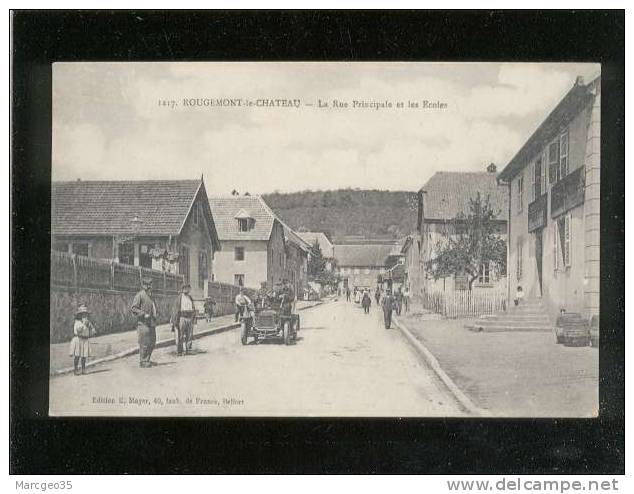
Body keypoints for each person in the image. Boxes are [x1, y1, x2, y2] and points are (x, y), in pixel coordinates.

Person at [131, 277, 158, 368]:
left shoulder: (151, 295)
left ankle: (147, 359)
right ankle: (143, 361)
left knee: (152, 342)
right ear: (143, 285)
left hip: (151, 323)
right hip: (143, 323)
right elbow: (134, 308)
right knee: (144, 343)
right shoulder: (140, 295)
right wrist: (143, 314)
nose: (149, 286)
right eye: (147, 284)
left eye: (150, 284)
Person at [171, 282, 197, 356]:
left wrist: (194, 318)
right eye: (185, 288)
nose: (187, 289)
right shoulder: (179, 298)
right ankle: (180, 351)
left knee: (189, 335)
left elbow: (193, 308)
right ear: (182, 289)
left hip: (190, 318)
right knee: (180, 335)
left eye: (188, 288)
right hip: (182, 318)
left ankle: (188, 349)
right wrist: (175, 321)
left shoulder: (190, 298)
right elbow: (175, 310)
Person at [69, 304, 96, 375]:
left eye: (86, 314)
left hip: (85, 339)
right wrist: (83, 324)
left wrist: (92, 329)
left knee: (84, 356)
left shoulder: (88, 322)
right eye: (83, 314)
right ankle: (75, 370)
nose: (84, 316)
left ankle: (83, 369)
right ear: (79, 315)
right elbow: (78, 330)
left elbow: (93, 330)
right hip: (78, 339)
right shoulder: (77, 322)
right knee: (77, 355)